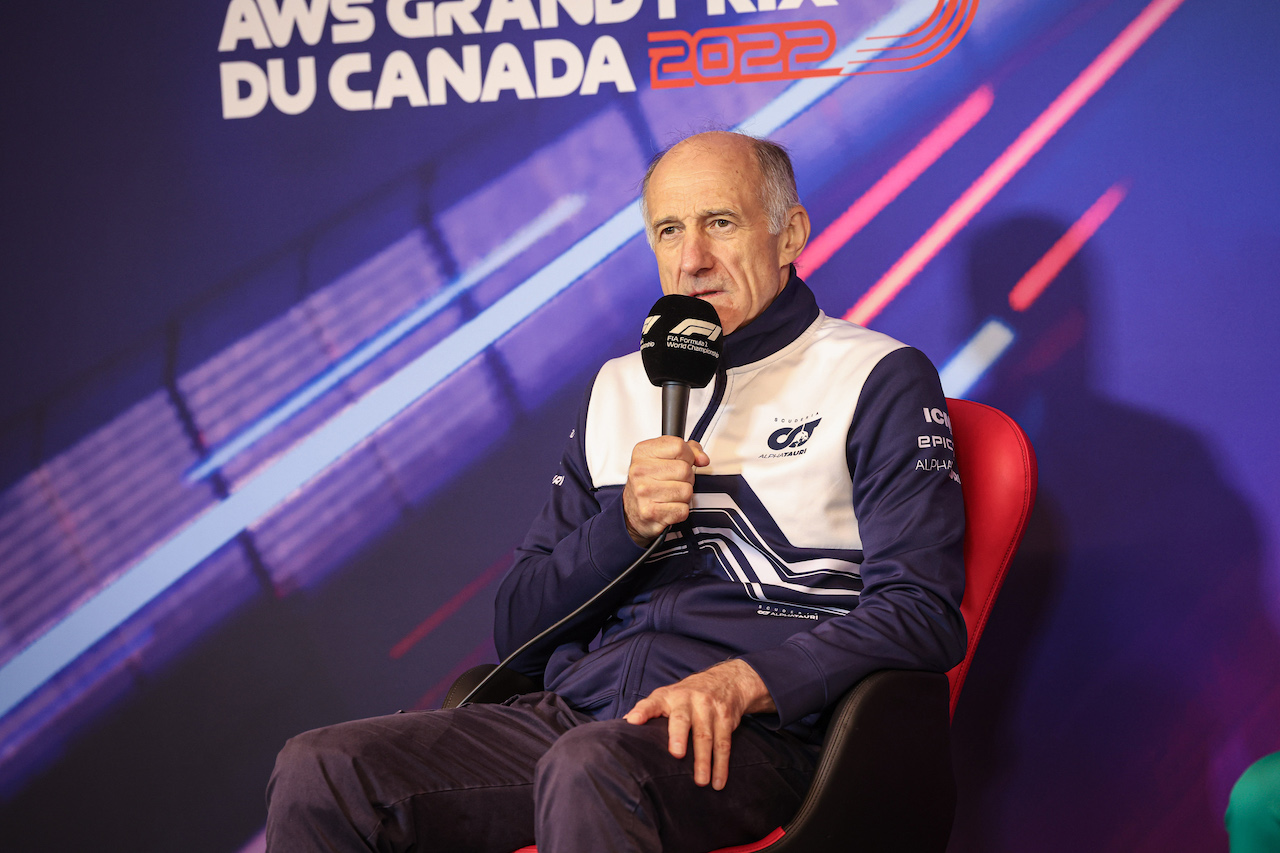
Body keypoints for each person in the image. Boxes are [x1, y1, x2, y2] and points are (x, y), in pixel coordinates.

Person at [265, 131, 966, 853]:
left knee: (589, 767)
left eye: (719, 222)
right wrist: (623, 527)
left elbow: (922, 610)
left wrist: (748, 681)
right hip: (579, 717)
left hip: (752, 734)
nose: (693, 259)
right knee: (324, 769)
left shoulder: (876, 377)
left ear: (789, 234)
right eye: (670, 230)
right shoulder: (618, 387)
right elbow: (520, 632)